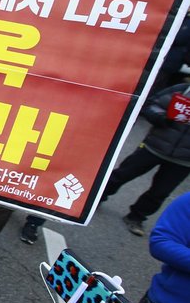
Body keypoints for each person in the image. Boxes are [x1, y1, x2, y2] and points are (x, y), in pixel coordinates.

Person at [21, 81, 190, 243]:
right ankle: (97, 197)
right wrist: (163, 118)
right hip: (154, 146)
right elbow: (151, 105)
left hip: (183, 160)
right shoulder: (182, 90)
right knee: (124, 173)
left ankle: (136, 217)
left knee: (161, 191)